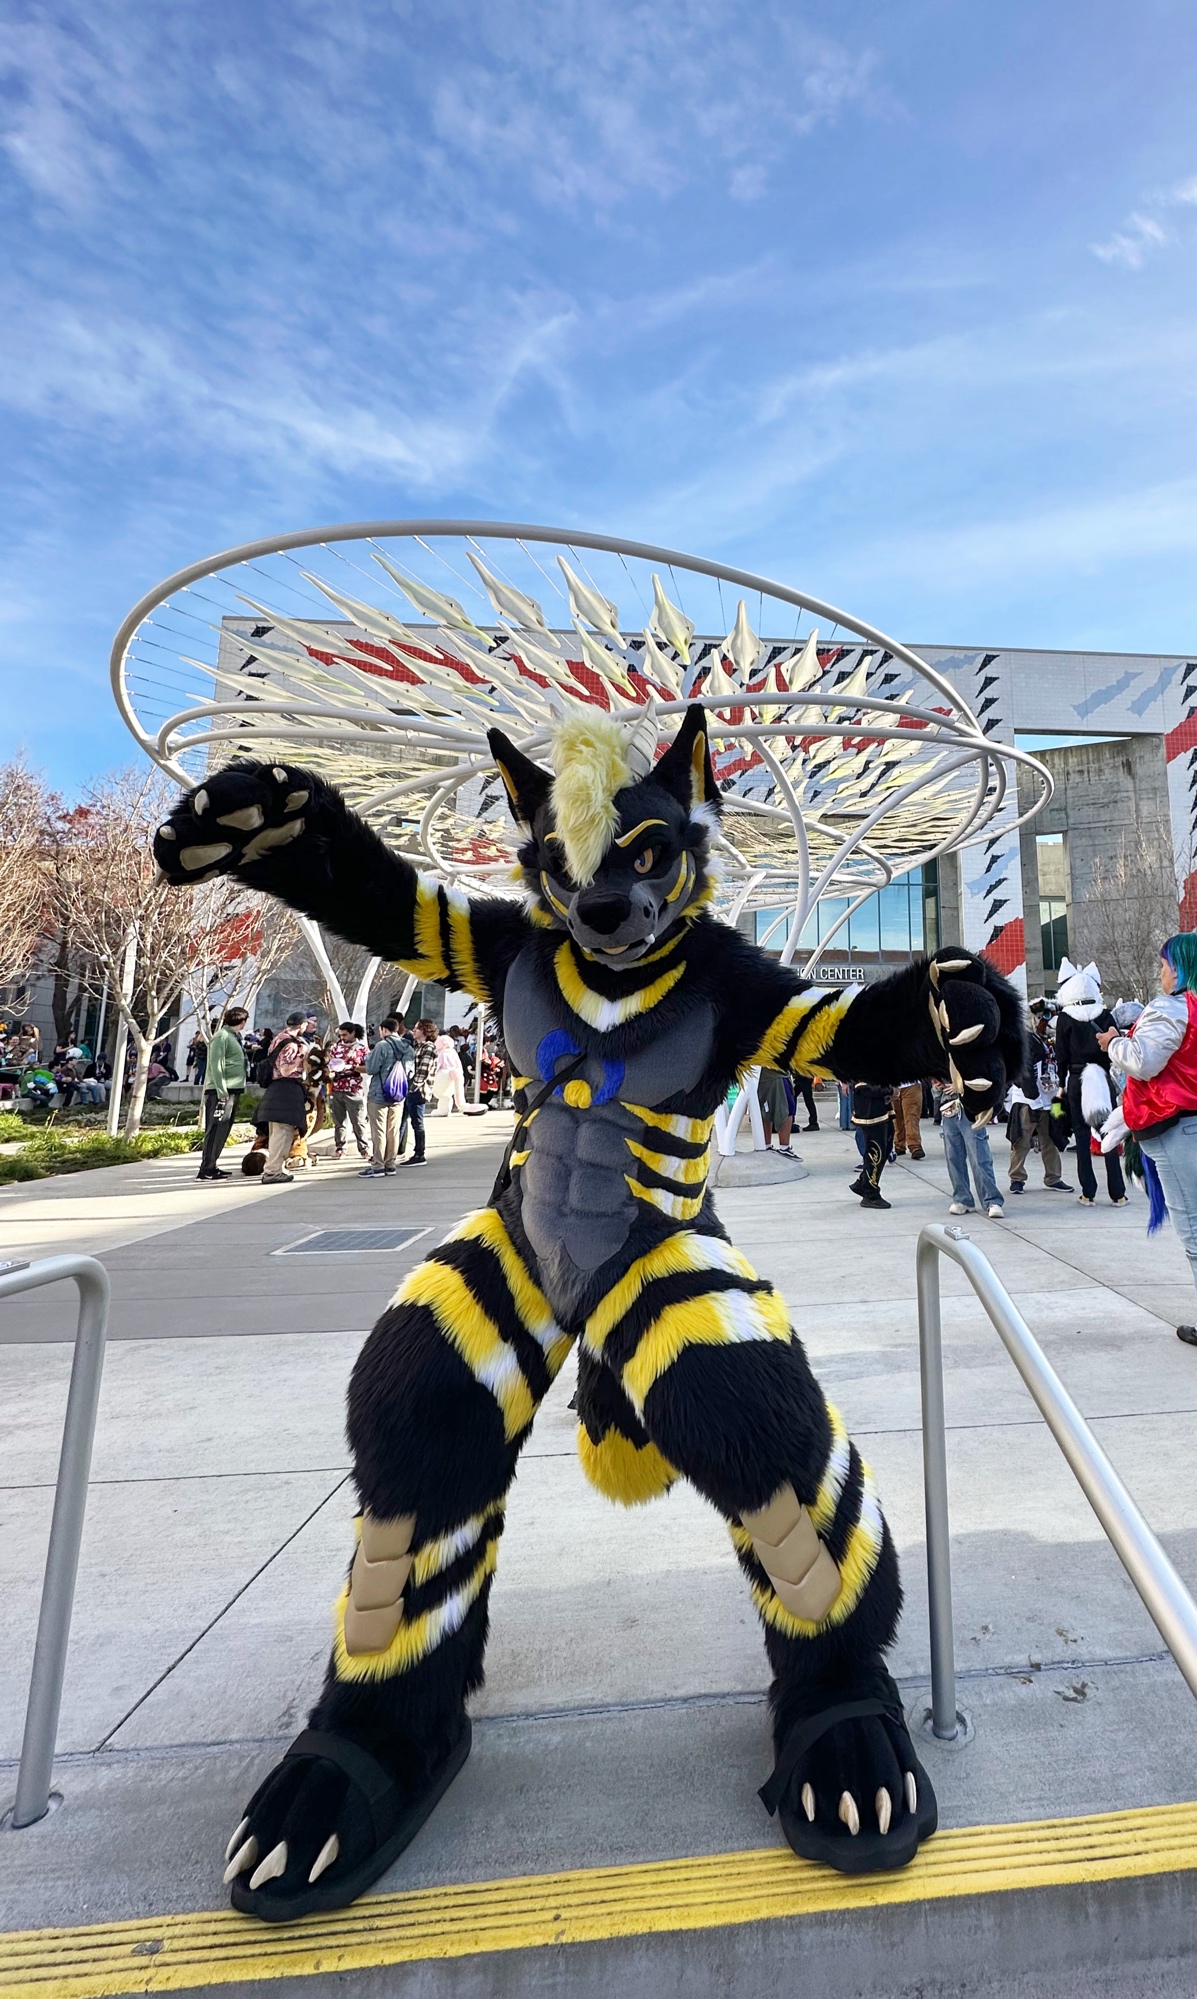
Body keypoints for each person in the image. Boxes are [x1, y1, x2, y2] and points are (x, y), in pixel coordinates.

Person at [1100, 933, 1197, 1350]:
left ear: (1180, 967)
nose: (1161, 974)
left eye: (1163, 965)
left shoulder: (1173, 1008)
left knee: (1193, 1230)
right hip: (1184, 1126)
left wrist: (1113, 1044)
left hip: (1176, 1129)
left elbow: (1143, 1062)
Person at [1053, 958, 1127, 1207]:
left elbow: (1061, 1056)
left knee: (1082, 1135)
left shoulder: (1064, 1018)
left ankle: (1088, 1192)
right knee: (1109, 1133)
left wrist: (1061, 1085)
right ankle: (1118, 1193)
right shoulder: (1105, 1015)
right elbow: (1115, 1047)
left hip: (1076, 1079)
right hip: (1102, 1078)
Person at [1006, 1013, 1070, 1195]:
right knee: (1021, 1141)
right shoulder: (1025, 1039)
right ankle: (1017, 1178)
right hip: (1027, 1100)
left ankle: (1053, 1177)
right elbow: (1021, 1070)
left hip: (1051, 1098)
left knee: (1052, 1139)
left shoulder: (1054, 1040)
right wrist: (1032, 1094)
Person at [255, 1011, 309, 1184]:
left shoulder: (278, 1038)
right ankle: (273, 1171)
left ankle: (275, 1168)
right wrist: (302, 1056)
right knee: (282, 1132)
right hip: (286, 1090)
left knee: (276, 1132)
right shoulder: (292, 1044)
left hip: (276, 1089)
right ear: (302, 1025)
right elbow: (285, 1070)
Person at [198, 1007, 249, 1180]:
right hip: (221, 1091)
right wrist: (221, 1089)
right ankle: (206, 1168)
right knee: (215, 1128)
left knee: (223, 1129)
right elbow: (216, 1064)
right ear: (242, 1021)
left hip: (233, 1088)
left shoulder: (234, 1036)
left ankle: (212, 1165)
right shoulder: (221, 1037)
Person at [940, 1081, 1003, 1218]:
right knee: (953, 1158)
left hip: (971, 1108)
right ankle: (962, 1199)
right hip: (949, 1107)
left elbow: (985, 1078)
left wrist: (960, 1085)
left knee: (979, 1158)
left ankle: (992, 1201)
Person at [362, 1014, 409, 1175]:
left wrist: (369, 1058)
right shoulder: (407, 1046)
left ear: (383, 1030)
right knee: (393, 1130)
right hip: (399, 1094)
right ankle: (390, 1164)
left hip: (379, 1093)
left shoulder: (382, 1045)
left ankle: (378, 1165)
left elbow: (372, 1069)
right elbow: (410, 1070)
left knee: (379, 1131)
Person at [327, 1022, 370, 1159]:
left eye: (345, 1035)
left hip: (353, 1089)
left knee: (358, 1121)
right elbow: (327, 1065)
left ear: (353, 1033)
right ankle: (340, 1148)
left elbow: (368, 1068)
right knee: (339, 1122)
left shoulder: (361, 1049)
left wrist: (352, 1067)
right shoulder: (335, 1048)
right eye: (340, 1035)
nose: (342, 1038)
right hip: (336, 1088)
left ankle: (364, 1148)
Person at [850, 1079, 893, 1208]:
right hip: (869, 1110)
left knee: (886, 1146)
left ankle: (863, 1181)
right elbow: (864, 1087)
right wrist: (890, 1090)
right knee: (875, 1151)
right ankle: (870, 1193)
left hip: (880, 1107)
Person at [397, 1017, 435, 1164]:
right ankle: (396, 1151)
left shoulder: (428, 1047)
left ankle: (419, 1154)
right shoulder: (415, 1046)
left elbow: (423, 1071)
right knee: (402, 1120)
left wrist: (412, 1088)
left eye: (417, 1028)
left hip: (418, 1090)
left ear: (425, 1030)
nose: (414, 1030)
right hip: (410, 1088)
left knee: (417, 1123)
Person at [757, 1064, 794, 1154]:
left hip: (764, 1074)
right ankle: (784, 1147)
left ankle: (766, 1145)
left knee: (766, 1110)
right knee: (786, 1108)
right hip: (775, 1074)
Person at [432, 1029, 466, 1115]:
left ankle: (443, 1110)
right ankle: (449, 1109)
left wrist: (432, 1074)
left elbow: (437, 1065)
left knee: (443, 1095)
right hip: (454, 1075)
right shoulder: (453, 1052)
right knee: (449, 1094)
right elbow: (458, 1064)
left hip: (443, 1074)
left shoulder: (442, 1053)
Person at [890, 1080, 924, 1160]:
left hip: (912, 1084)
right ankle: (899, 1144)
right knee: (896, 1118)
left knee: (911, 1117)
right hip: (893, 1086)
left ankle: (915, 1146)